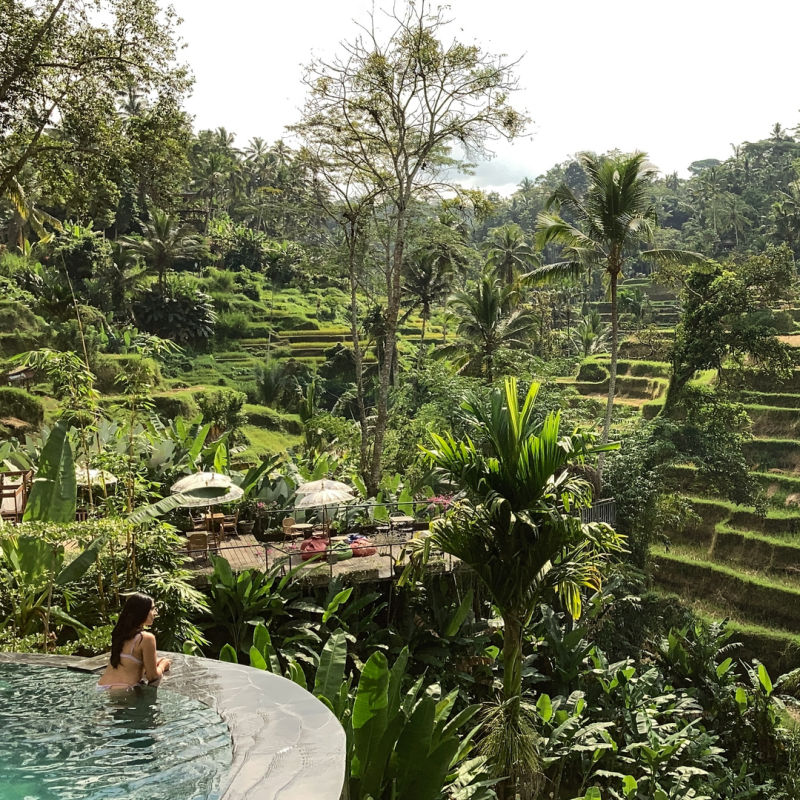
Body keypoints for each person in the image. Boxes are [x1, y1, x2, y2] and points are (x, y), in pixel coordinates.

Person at [97, 593, 171, 691]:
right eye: (152, 609)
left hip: (100, 687)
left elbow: (130, 665)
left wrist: (155, 662)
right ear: (142, 612)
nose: (155, 613)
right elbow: (153, 677)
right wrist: (163, 665)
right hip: (123, 692)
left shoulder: (120, 634)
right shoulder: (146, 638)